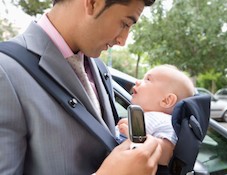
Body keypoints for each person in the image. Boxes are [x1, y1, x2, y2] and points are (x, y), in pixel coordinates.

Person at [0, 0, 164, 174]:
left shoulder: (99, 68)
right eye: (125, 23)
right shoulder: (5, 71)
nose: (123, 41)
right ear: (92, 3)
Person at [118, 64, 195, 166]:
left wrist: (135, 136)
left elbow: (167, 155)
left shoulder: (166, 121)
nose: (137, 81)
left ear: (166, 100)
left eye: (148, 79)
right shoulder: (143, 115)